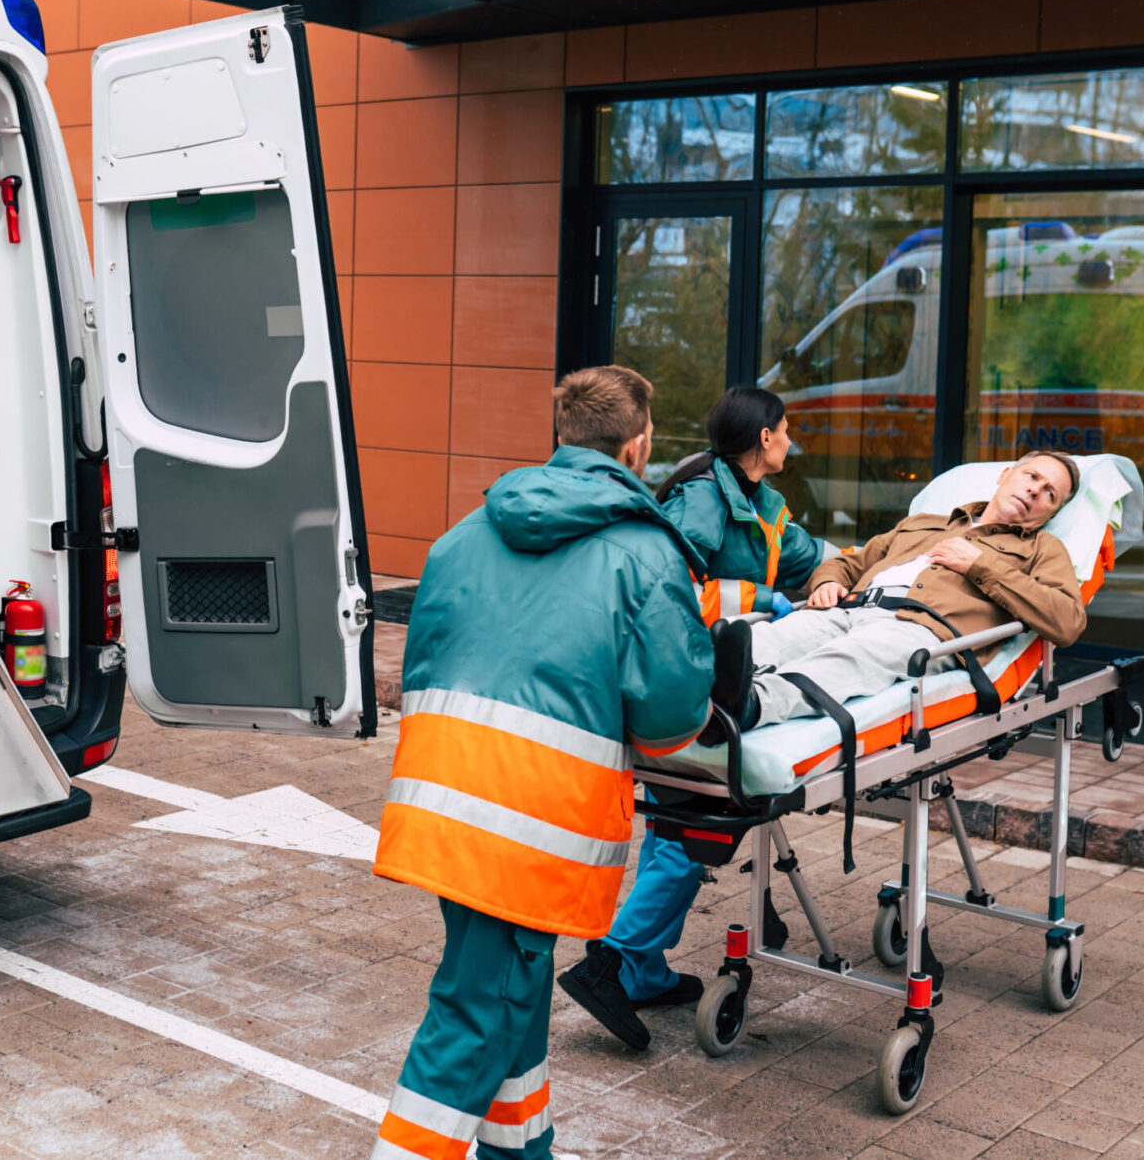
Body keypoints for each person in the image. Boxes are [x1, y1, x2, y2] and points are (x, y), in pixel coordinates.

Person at [371, 365, 716, 1160]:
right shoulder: (643, 552)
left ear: (561, 436)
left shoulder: (462, 536)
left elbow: (426, 663)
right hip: (532, 823)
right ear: (640, 445)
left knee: (508, 998)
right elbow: (667, 723)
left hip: (444, 803)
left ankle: (521, 1150)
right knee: (478, 1014)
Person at [557, 387, 822, 1051]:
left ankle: (641, 969)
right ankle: (611, 963)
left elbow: (803, 554)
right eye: (785, 430)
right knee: (694, 825)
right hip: (678, 680)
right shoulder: (702, 497)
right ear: (764, 437)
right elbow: (668, 585)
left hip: (716, 677)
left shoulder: (757, 502)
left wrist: (860, 566)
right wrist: (760, 598)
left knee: (680, 822)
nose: (790, 441)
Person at [729, 450, 1088, 733]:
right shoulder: (923, 524)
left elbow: (1068, 621)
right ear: (1005, 475)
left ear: (1049, 513)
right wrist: (826, 583)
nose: (1035, 490)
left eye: (1049, 494)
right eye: (1032, 476)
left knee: (848, 658)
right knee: (762, 639)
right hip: (846, 610)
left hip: (918, 631)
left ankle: (749, 705)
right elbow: (848, 563)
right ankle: (694, 687)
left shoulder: (1043, 549)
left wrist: (979, 565)